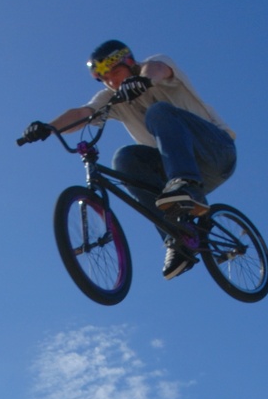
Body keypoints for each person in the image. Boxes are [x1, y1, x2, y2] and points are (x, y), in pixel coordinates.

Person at [21, 40, 237, 280]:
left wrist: (142, 81)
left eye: (116, 72)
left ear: (131, 63)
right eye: (104, 79)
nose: (112, 82)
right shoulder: (112, 97)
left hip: (217, 152)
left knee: (159, 112)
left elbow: (157, 69)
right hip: (176, 166)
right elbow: (83, 113)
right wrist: (49, 127)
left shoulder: (156, 67)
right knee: (125, 158)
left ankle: (185, 184)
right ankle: (178, 239)